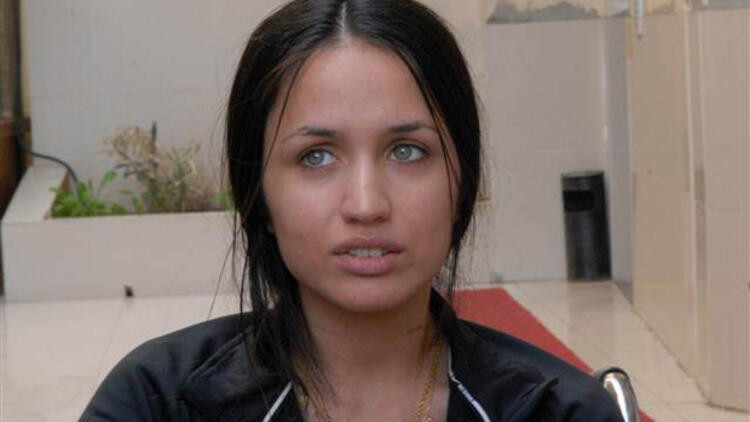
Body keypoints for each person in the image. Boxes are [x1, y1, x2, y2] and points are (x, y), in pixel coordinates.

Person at [80, 1, 624, 421]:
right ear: (259, 194)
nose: (366, 205)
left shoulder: (559, 412)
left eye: (407, 151)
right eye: (316, 156)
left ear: (462, 181)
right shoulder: (156, 403)